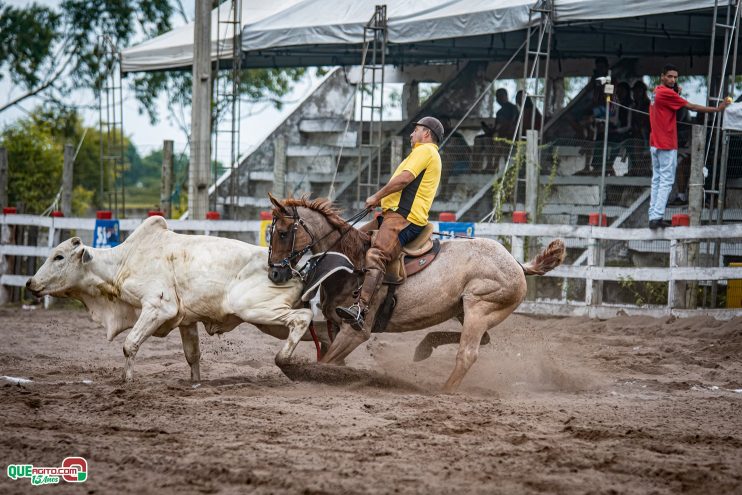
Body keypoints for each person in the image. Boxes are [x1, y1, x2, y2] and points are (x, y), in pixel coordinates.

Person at [335, 117, 443, 330]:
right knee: (350, 240)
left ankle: (360, 309)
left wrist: (376, 197)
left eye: (416, 130)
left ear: (426, 134)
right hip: (393, 216)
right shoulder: (424, 153)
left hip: (404, 219)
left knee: (376, 254)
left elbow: (403, 180)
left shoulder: (426, 151)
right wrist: (383, 204)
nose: (411, 134)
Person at [647, 64, 729, 228]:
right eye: (669, 76)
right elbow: (691, 106)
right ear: (662, 76)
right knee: (666, 181)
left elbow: (672, 101)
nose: (673, 79)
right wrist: (717, 109)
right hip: (666, 143)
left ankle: (653, 216)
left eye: (675, 77)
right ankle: (656, 217)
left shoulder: (656, 92)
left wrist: (676, 91)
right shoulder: (666, 93)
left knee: (657, 180)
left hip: (655, 142)